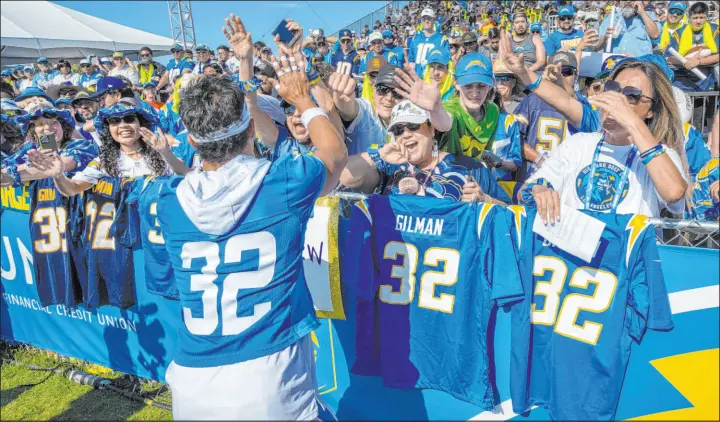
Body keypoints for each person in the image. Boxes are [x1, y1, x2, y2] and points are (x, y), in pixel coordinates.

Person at [154, 14, 347, 421]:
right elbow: (335, 155)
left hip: (192, 383)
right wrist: (304, 100)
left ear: (190, 140)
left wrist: (245, 70)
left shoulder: (165, 201)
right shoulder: (283, 184)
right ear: (249, 131)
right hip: (269, 378)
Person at [513, 56, 690, 221]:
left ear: (652, 110)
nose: (617, 100)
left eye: (632, 96)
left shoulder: (662, 155)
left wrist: (631, 122)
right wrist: (539, 190)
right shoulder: (579, 143)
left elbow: (674, 193)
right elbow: (525, 192)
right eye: (613, 89)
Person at [340, 100, 500, 202]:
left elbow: (509, 209)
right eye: (398, 130)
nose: (406, 134)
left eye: (413, 125)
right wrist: (379, 155)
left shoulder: (469, 167)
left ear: (431, 129)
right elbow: (344, 176)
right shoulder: (388, 168)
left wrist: (485, 200)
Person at [37, 105, 188, 198]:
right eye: (115, 122)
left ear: (141, 125)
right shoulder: (104, 162)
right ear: (108, 130)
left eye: (129, 119)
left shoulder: (162, 153)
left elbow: (186, 175)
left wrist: (165, 153)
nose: (123, 126)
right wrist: (59, 176)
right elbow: (72, 189)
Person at [329, 61, 451, 156]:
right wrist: (341, 98)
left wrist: (436, 110)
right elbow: (349, 109)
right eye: (383, 90)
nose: (388, 98)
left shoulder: (412, 117)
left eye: (397, 93)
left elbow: (445, 125)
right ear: (373, 91)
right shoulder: (366, 111)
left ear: (406, 98)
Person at [666, 1, 719, 91]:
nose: (698, 21)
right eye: (695, 18)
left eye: (702, 17)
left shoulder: (715, 30)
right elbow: (668, 58)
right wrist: (685, 61)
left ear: (706, 16)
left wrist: (699, 61)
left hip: (707, 80)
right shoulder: (678, 33)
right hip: (683, 79)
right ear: (689, 17)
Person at [407, 8, 450, 77]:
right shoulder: (415, 38)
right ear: (421, 21)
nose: (426, 21)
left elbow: (446, 61)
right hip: (418, 80)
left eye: (429, 18)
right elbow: (411, 60)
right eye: (424, 19)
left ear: (434, 20)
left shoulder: (442, 39)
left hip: (433, 79)